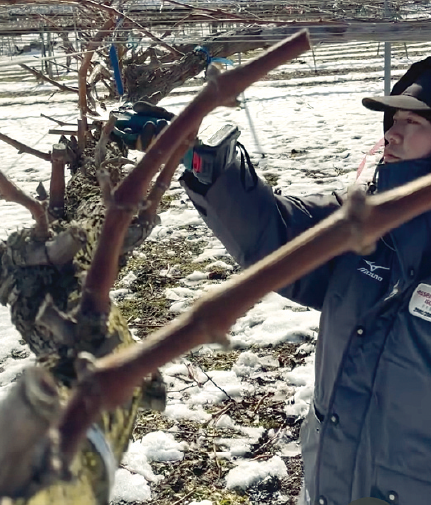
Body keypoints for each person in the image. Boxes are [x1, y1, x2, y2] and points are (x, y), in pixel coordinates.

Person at [180, 56, 431, 505]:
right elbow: (276, 234)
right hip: (331, 478)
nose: (391, 133)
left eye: (413, 121)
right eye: (393, 120)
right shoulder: (361, 221)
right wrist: (207, 165)